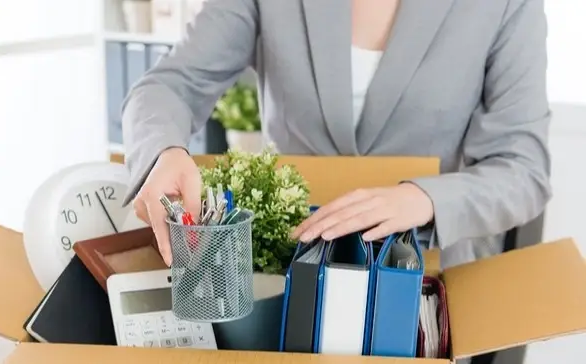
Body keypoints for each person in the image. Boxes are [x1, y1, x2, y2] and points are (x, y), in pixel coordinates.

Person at [122, 1, 550, 361]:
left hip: (423, 285)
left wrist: (424, 198)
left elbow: (524, 168)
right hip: (291, 282)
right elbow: (170, 85)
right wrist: (163, 151)